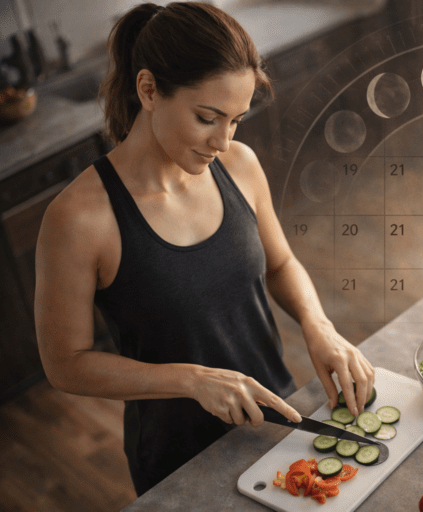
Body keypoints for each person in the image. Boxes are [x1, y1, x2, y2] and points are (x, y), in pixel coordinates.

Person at [34, 1, 374, 496]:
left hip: (275, 422)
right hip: (176, 459)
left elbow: (280, 263)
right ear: (148, 89)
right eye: (207, 118)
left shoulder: (239, 165)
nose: (223, 139)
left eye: (236, 119)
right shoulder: (79, 218)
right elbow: (66, 363)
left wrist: (319, 326)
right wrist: (194, 379)